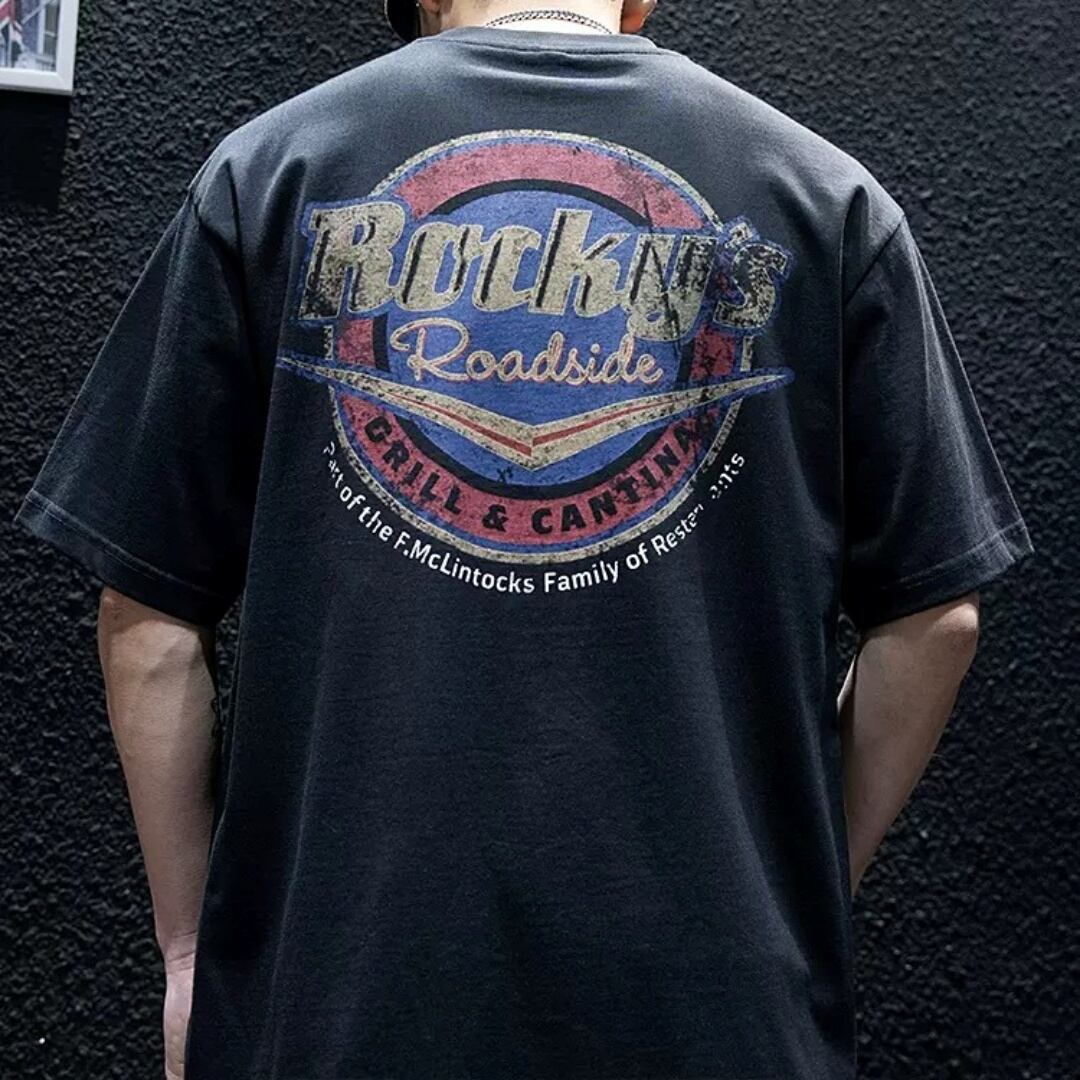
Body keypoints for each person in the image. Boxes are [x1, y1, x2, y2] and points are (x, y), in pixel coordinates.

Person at [12, 1, 1035, 1077]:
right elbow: (939, 620)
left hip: (334, 1005)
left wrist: (188, 953)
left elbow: (148, 617)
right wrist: (803, 884)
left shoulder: (269, 173)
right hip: (722, 1017)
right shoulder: (827, 202)